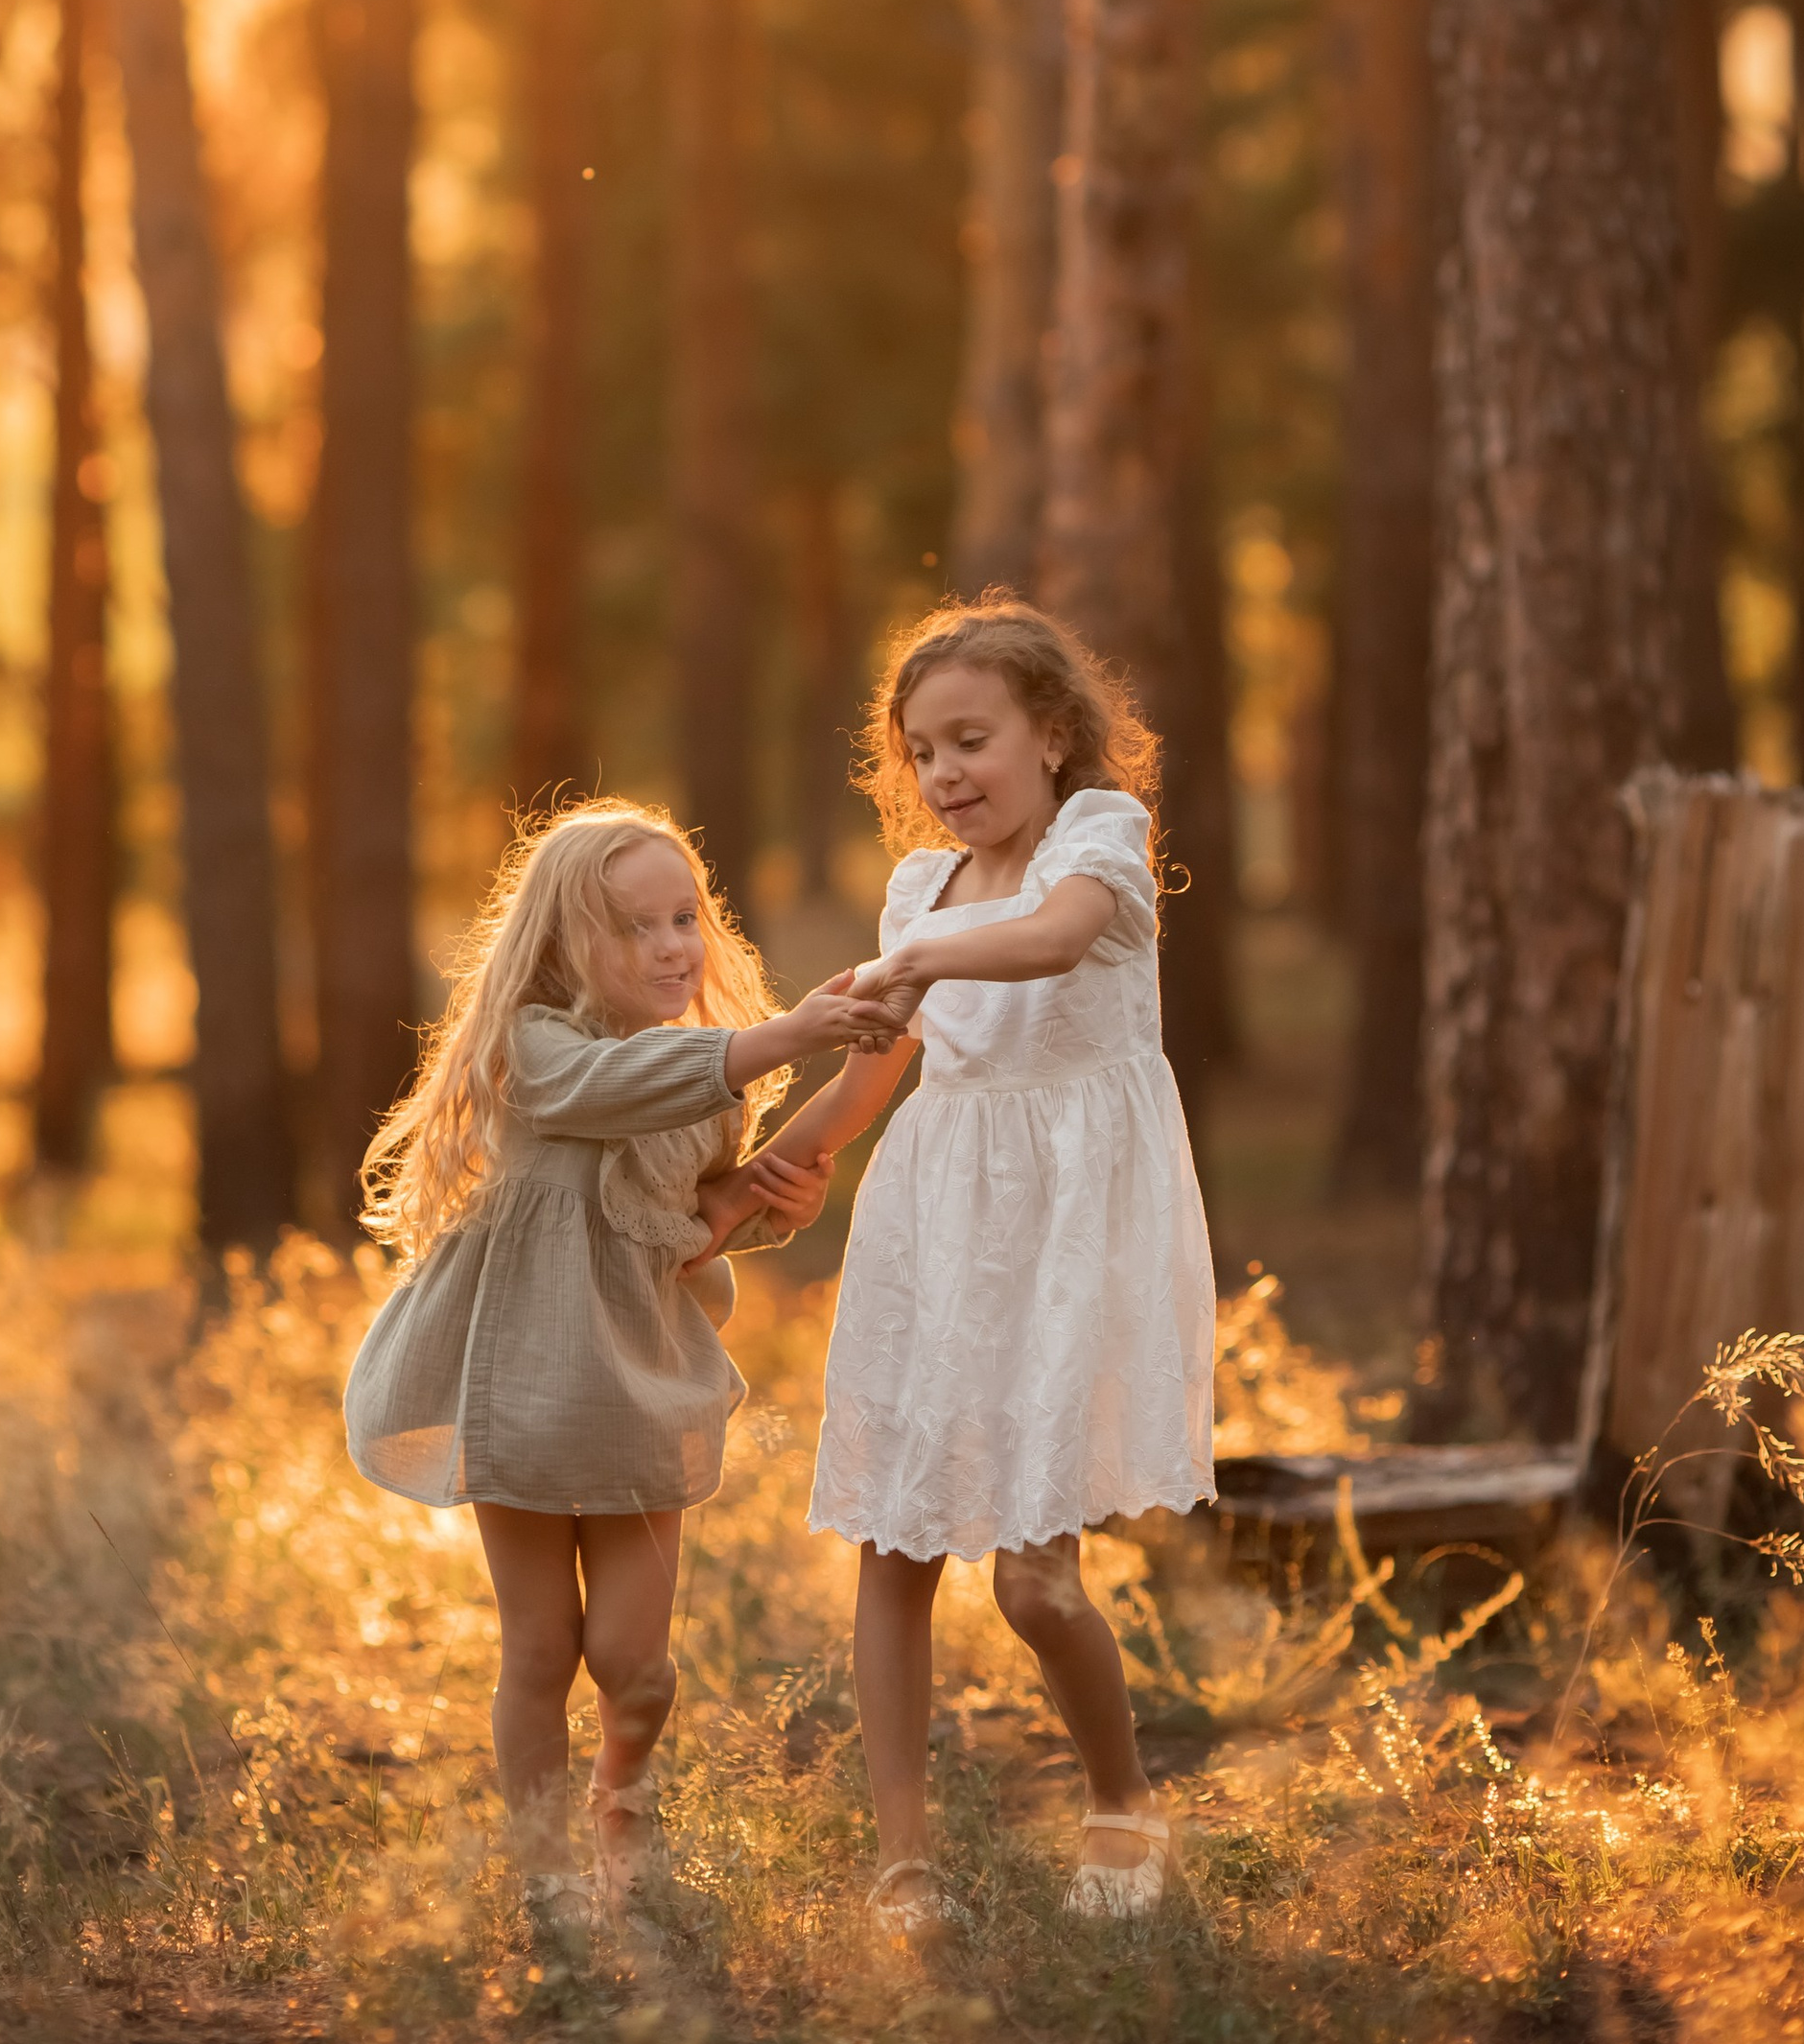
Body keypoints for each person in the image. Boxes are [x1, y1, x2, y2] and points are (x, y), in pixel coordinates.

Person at [717, 596, 1218, 1933]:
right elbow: (877, 1069)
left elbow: (1053, 941)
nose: (946, 775)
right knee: (898, 1540)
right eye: (922, 751)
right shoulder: (915, 892)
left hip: (1066, 1227)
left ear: (1053, 734)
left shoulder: (1097, 840)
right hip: (938, 1221)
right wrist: (787, 1157)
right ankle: (906, 1863)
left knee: (1036, 1581)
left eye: (972, 739)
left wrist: (915, 958)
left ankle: (1123, 1808)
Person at [342, 798, 888, 1933]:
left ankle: (621, 1803)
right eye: (633, 927)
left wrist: (769, 1198)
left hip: (637, 1389)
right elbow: (604, 1097)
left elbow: (686, 1224)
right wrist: (792, 1033)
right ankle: (548, 1880)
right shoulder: (538, 1050)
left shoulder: (699, 1081)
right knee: (539, 1647)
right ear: (560, 949)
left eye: (683, 917)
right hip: (526, 1390)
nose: (671, 946)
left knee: (636, 1664)